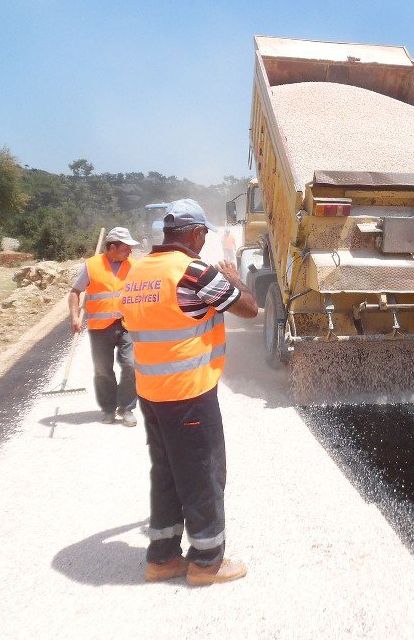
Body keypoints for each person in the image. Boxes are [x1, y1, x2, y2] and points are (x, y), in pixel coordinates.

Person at [120, 199, 258, 586]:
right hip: (189, 393)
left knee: (166, 473)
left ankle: (162, 558)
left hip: (150, 391)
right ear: (196, 233)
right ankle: (207, 562)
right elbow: (249, 308)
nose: (203, 242)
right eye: (203, 235)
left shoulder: (137, 272)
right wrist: (232, 278)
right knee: (202, 474)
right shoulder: (192, 272)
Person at [68, 227, 140, 427]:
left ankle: (126, 408)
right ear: (112, 247)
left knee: (131, 365)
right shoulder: (92, 266)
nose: (130, 251)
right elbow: (75, 292)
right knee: (102, 370)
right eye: (126, 247)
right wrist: (75, 317)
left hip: (127, 325)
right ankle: (108, 408)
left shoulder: (134, 266)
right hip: (100, 327)